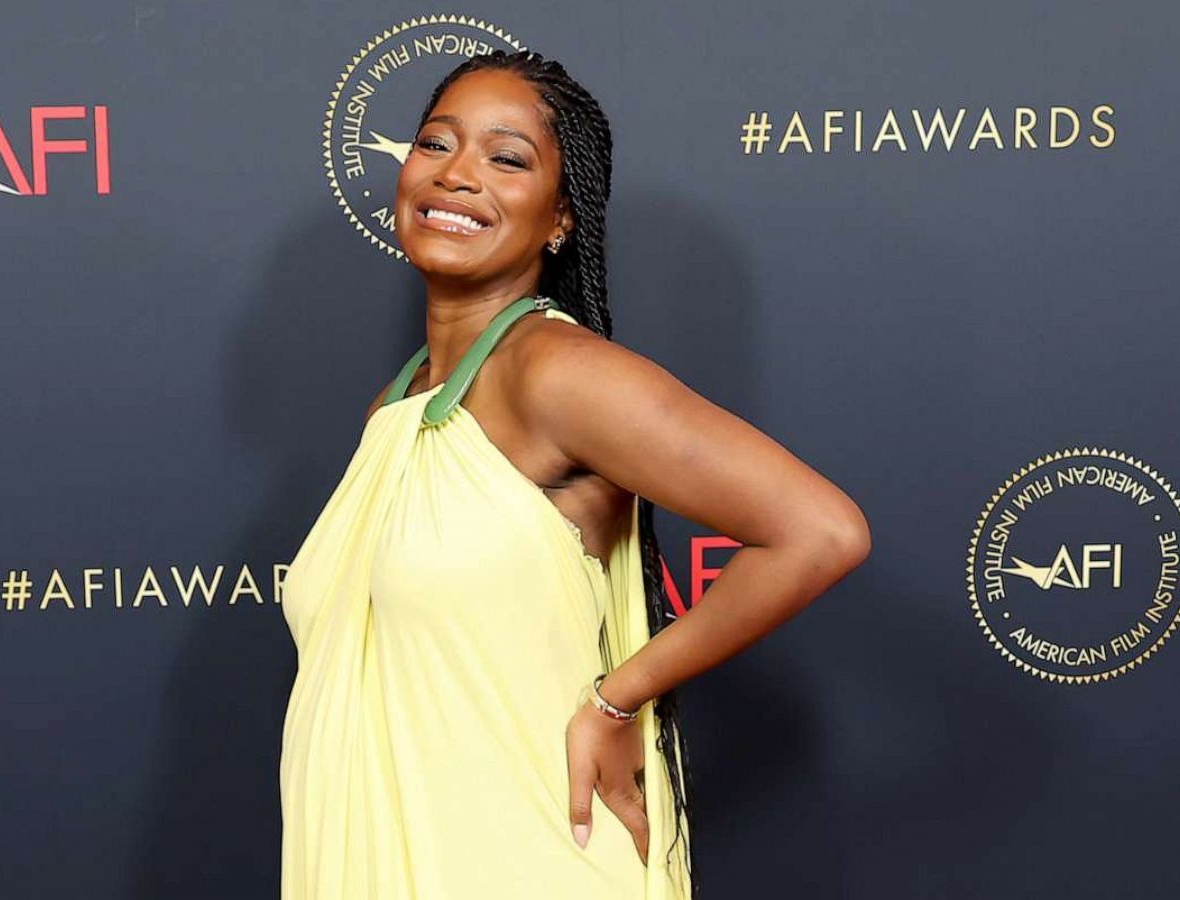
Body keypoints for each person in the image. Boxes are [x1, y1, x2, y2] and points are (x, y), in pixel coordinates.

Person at [280, 49, 871, 899]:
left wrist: (617, 700)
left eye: (506, 157)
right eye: (435, 144)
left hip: (523, 860)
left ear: (561, 217)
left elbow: (821, 532)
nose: (457, 176)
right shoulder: (397, 405)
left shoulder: (556, 372)